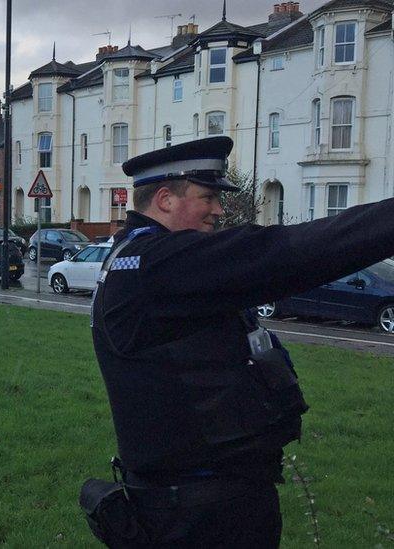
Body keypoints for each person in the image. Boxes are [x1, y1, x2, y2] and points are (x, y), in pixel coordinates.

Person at [83, 135, 394, 547]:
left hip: (206, 502)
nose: (218, 210)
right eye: (207, 197)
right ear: (165, 200)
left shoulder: (144, 259)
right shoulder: (159, 264)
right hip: (200, 518)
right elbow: (286, 254)